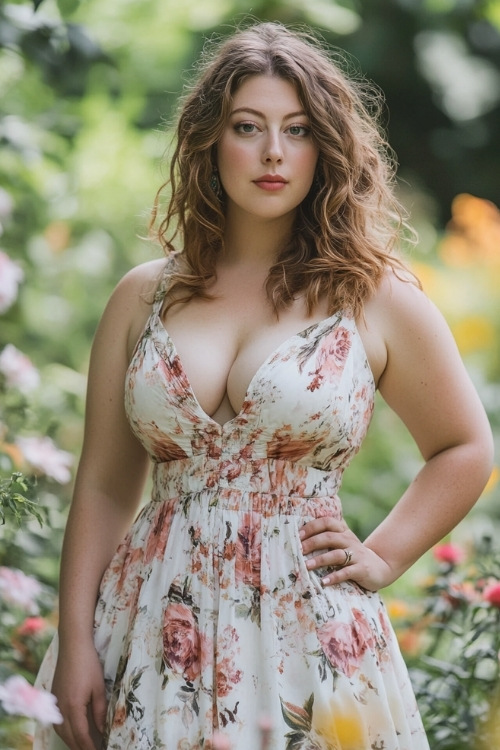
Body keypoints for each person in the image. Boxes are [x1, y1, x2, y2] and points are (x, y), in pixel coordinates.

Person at [34, 20, 493, 750]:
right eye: (248, 127)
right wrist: (78, 640)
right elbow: (103, 485)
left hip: (307, 635)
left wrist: (384, 555)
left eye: (299, 129)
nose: (274, 152)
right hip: (151, 627)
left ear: (327, 148)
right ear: (211, 141)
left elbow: (465, 446)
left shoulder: (373, 297)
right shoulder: (142, 297)